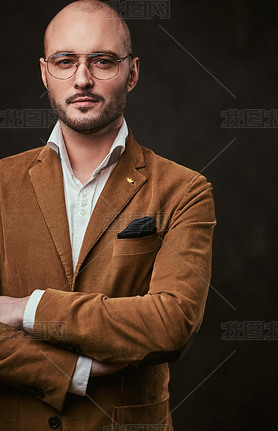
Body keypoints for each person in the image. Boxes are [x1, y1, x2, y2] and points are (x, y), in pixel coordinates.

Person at [0, 1, 216, 430]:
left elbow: (172, 323)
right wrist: (76, 371)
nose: (82, 79)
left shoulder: (185, 190)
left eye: (102, 61)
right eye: (65, 61)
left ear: (132, 73)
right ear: (45, 73)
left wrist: (29, 308)